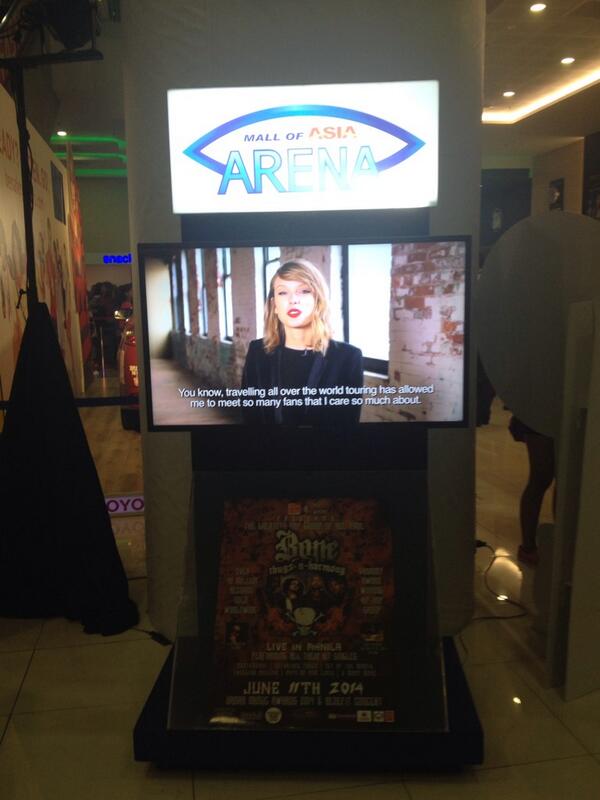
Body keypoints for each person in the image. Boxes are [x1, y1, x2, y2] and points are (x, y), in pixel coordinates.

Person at [241, 259, 363, 424]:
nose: (293, 300)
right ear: (274, 305)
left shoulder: (348, 357)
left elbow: (347, 425)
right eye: (283, 292)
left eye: (304, 291)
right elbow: (250, 417)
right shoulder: (257, 352)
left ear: (318, 300)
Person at [509, 415, 555, 566]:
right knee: (544, 479)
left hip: (538, 416)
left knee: (540, 480)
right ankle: (531, 546)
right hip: (541, 417)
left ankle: (528, 547)